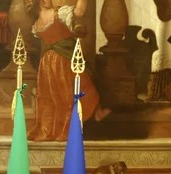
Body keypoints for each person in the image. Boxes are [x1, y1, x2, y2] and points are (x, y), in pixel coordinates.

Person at [28, 0, 111, 141]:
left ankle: (51, 129)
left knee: (52, 95)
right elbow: (79, 12)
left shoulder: (37, 24)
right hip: (62, 59)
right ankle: (69, 128)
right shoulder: (58, 13)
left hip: (47, 62)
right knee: (74, 90)